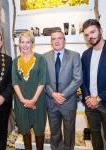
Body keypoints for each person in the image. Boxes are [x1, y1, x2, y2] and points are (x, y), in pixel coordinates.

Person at [43, 30, 82, 150]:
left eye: (60, 38)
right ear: (51, 42)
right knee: (54, 133)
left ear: (64, 40)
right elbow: (42, 80)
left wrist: (62, 96)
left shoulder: (74, 56)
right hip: (51, 101)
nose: (57, 41)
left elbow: (78, 79)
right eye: (54, 39)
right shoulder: (44, 57)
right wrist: (53, 94)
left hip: (68, 102)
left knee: (69, 132)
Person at [12, 31, 48, 150]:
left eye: (28, 42)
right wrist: (23, 100)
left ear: (33, 43)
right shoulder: (15, 61)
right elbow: (15, 82)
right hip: (21, 101)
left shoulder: (41, 58)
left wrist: (33, 100)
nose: (25, 45)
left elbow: (42, 80)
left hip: (38, 100)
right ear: (19, 44)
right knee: (25, 130)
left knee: (39, 130)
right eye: (22, 42)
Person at [81, 19, 106, 150]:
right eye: (87, 34)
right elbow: (83, 79)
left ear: (100, 31)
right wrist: (87, 97)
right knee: (95, 134)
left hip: (104, 103)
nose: (90, 36)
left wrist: (97, 98)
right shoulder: (86, 54)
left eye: (93, 32)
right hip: (90, 104)